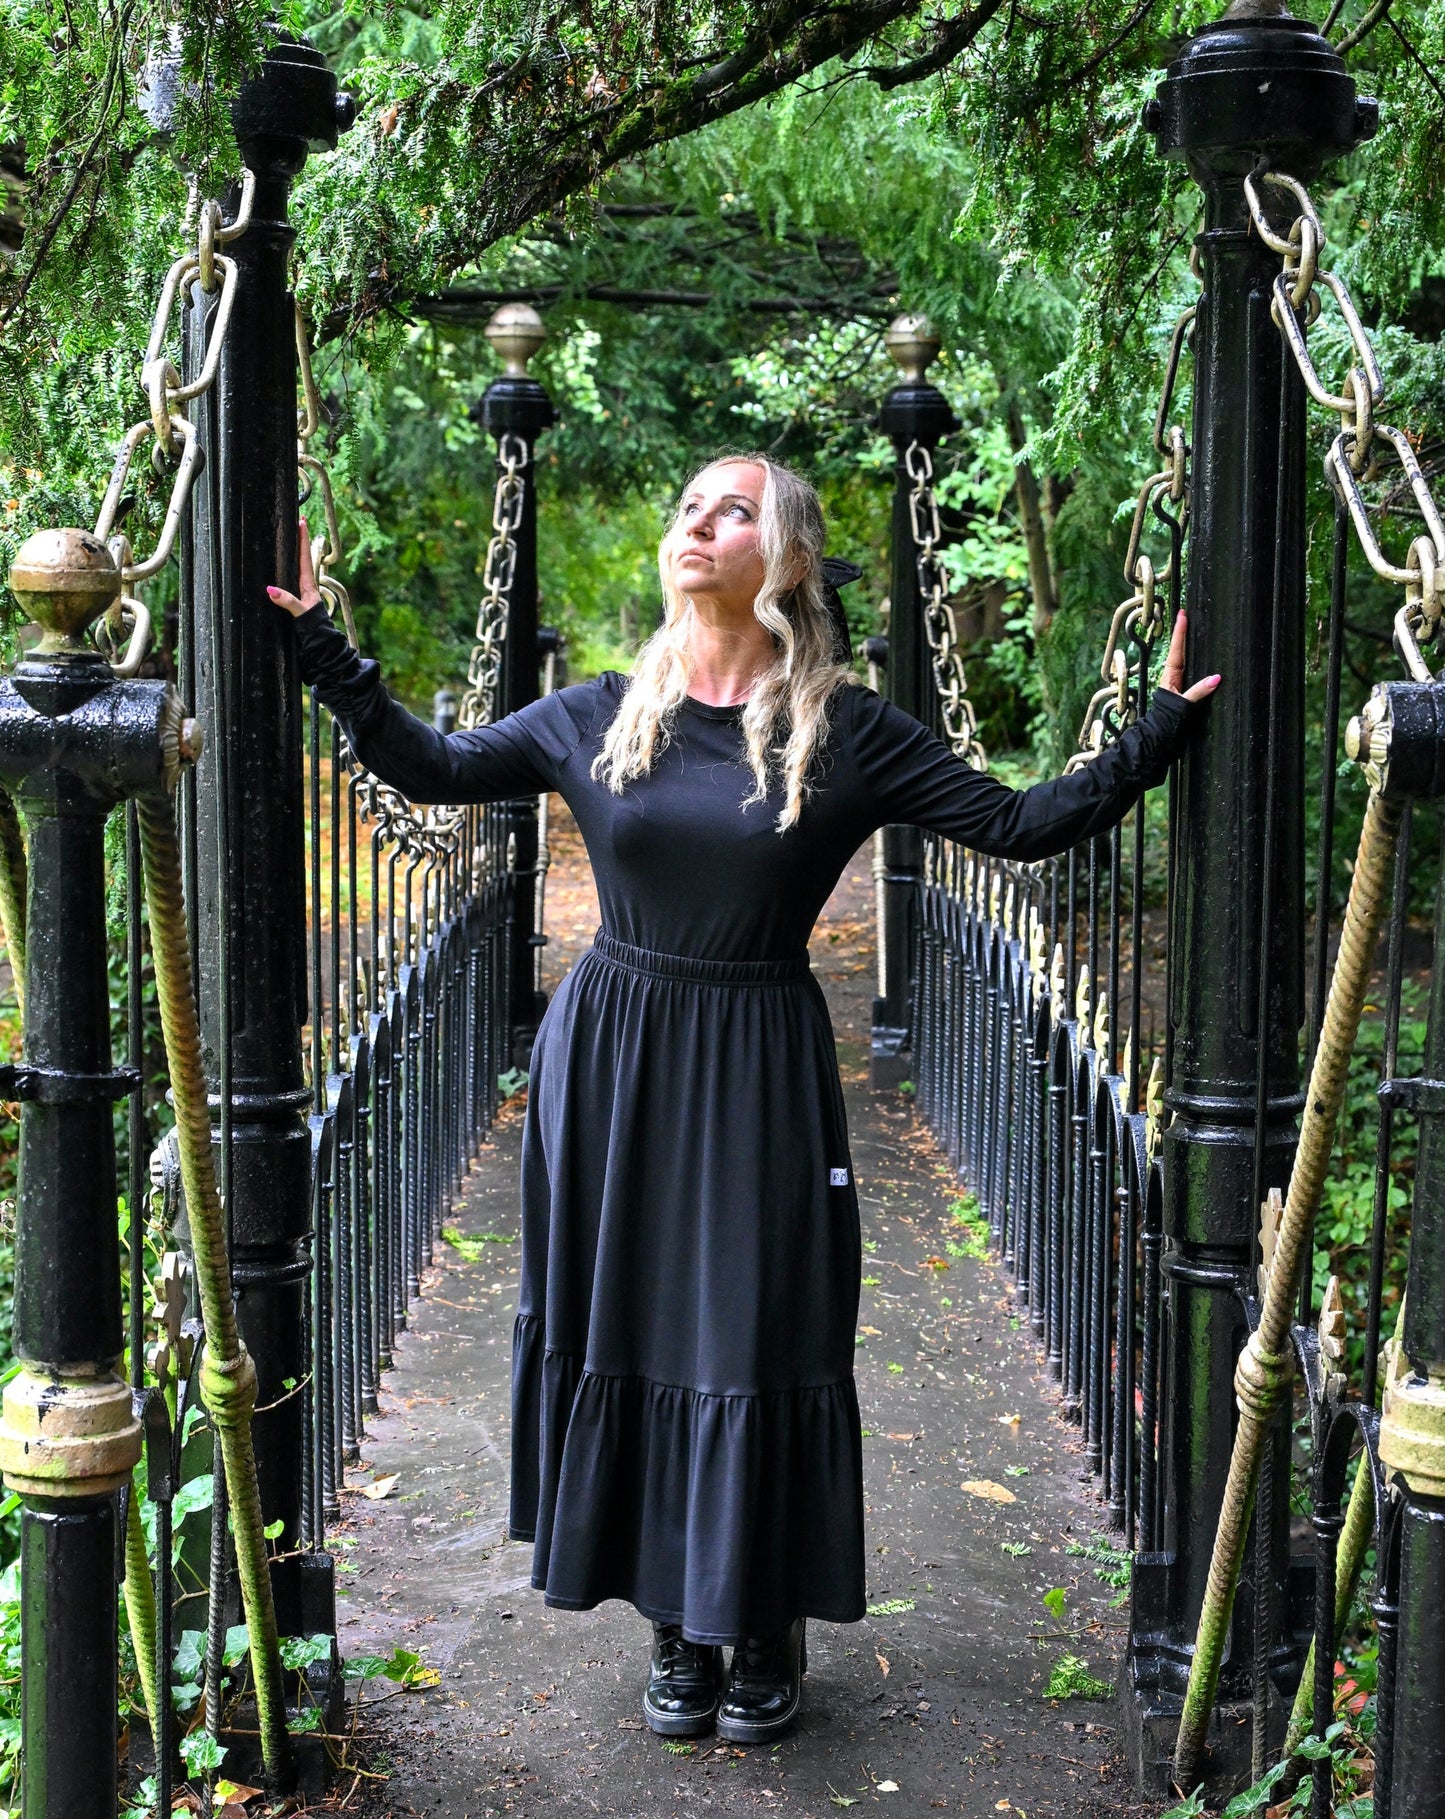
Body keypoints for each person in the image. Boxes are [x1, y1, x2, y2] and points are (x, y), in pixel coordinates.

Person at [270, 453, 1219, 1745]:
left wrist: (1156, 730)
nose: (700, 525)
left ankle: (761, 1615)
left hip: (758, 1065)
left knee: (758, 1331)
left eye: (735, 511)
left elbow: (1018, 824)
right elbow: (429, 766)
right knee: (634, 1323)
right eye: (690, 508)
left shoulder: (851, 733)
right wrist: (322, 647)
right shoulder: (596, 715)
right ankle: (674, 1615)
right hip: (612, 1063)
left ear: (789, 559)